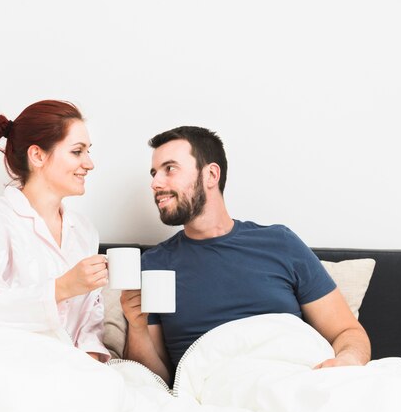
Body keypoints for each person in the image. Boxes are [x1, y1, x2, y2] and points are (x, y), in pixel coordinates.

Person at [121, 125, 371, 384]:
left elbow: (347, 331)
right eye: (154, 173)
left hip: (300, 379)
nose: (155, 183)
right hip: (219, 391)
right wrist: (137, 327)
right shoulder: (154, 265)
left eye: (169, 169)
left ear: (211, 174)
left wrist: (347, 362)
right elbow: (154, 381)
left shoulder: (280, 243)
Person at [0, 99, 110, 362]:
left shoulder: (84, 230)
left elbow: (91, 316)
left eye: (88, 151)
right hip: (7, 364)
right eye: (77, 151)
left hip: (72, 371)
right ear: (37, 155)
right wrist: (60, 288)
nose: (89, 164)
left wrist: (90, 360)